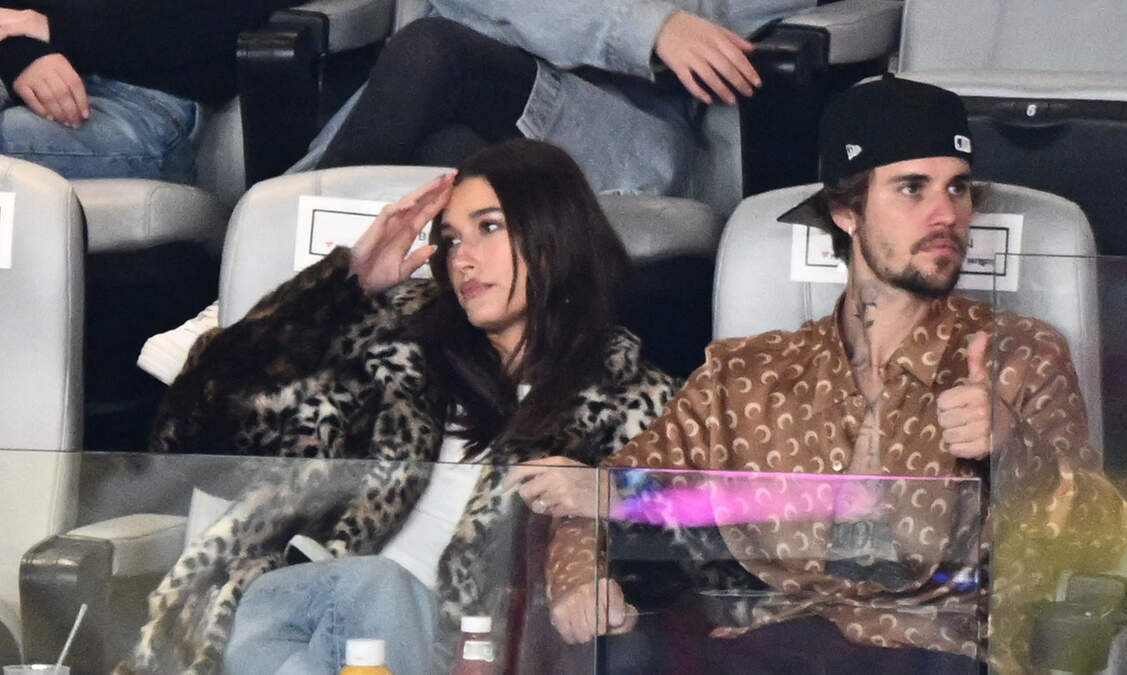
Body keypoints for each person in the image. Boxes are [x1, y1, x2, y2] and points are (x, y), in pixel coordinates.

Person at [522, 76, 1127, 674]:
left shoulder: (1018, 354)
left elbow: (1100, 541)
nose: (946, 213)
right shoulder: (747, 375)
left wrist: (1010, 445)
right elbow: (599, 495)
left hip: (943, 655)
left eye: (959, 188)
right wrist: (579, 582)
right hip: (770, 651)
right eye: (912, 188)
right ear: (846, 213)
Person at [115, 139, 678, 674]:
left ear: (555, 234)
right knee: (374, 584)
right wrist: (345, 287)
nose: (463, 259)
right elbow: (194, 439)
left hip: (458, 655)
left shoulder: (629, 399)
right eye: (451, 240)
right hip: (297, 617)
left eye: (488, 228)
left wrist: (615, 497)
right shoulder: (395, 347)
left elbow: (709, 551)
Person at [308, 0, 818, 196]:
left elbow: (724, 24)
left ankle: (293, 289)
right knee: (449, 154)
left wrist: (653, 28)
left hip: (614, 130)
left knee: (434, 51)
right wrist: (644, 25)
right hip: (443, 103)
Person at [0, 1, 294, 181]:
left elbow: (217, 19)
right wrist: (24, 55)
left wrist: (58, 29)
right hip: (31, 72)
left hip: (153, 100)